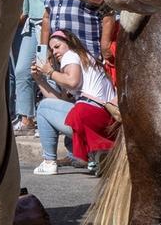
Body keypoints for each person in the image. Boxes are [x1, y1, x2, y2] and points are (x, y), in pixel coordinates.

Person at [29, 29, 117, 176]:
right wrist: (40, 80)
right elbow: (59, 103)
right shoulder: (85, 58)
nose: (55, 52)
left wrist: (50, 72)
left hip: (89, 114)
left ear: (69, 43)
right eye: (51, 49)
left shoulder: (70, 55)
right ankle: (98, 156)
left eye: (57, 47)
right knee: (48, 109)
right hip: (107, 119)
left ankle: (49, 162)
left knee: (43, 107)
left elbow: (72, 81)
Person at [11, 0, 58, 136]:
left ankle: (52, 118)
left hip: (48, 26)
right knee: (22, 71)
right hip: (31, 24)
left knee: (48, 72)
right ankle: (26, 118)